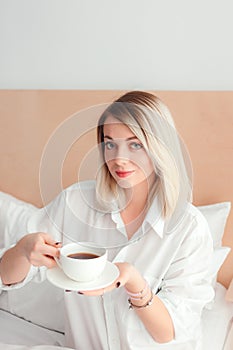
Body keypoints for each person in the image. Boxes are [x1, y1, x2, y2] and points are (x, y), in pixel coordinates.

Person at [0, 91, 214, 350]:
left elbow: (168, 332)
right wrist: (23, 250)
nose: (118, 158)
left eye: (135, 144)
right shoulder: (75, 202)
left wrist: (135, 283)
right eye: (110, 143)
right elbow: (6, 277)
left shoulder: (188, 227)